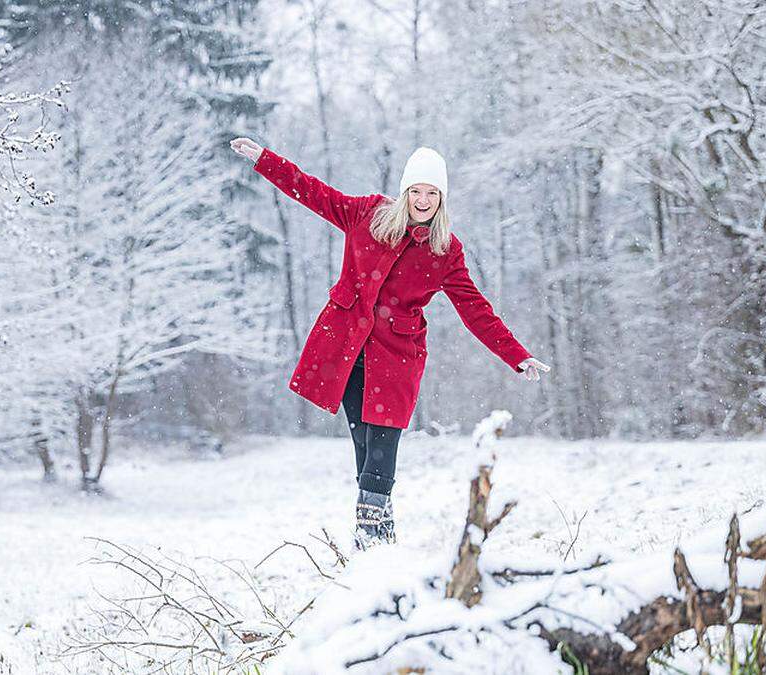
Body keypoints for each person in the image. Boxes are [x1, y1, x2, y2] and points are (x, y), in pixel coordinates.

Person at [230, 137, 551, 550]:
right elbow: (311, 190)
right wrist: (264, 159)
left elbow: (476, 310)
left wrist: (517, 355)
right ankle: (380, 538)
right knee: (364, 449)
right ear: (404, 192)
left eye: (431, 193)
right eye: (416, 191)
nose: (422, 200)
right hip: (345, 352)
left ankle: (369, 540)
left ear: (441, 198)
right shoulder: (366, 215)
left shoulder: (445, 251)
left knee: (382, 445)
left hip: (395, 359)